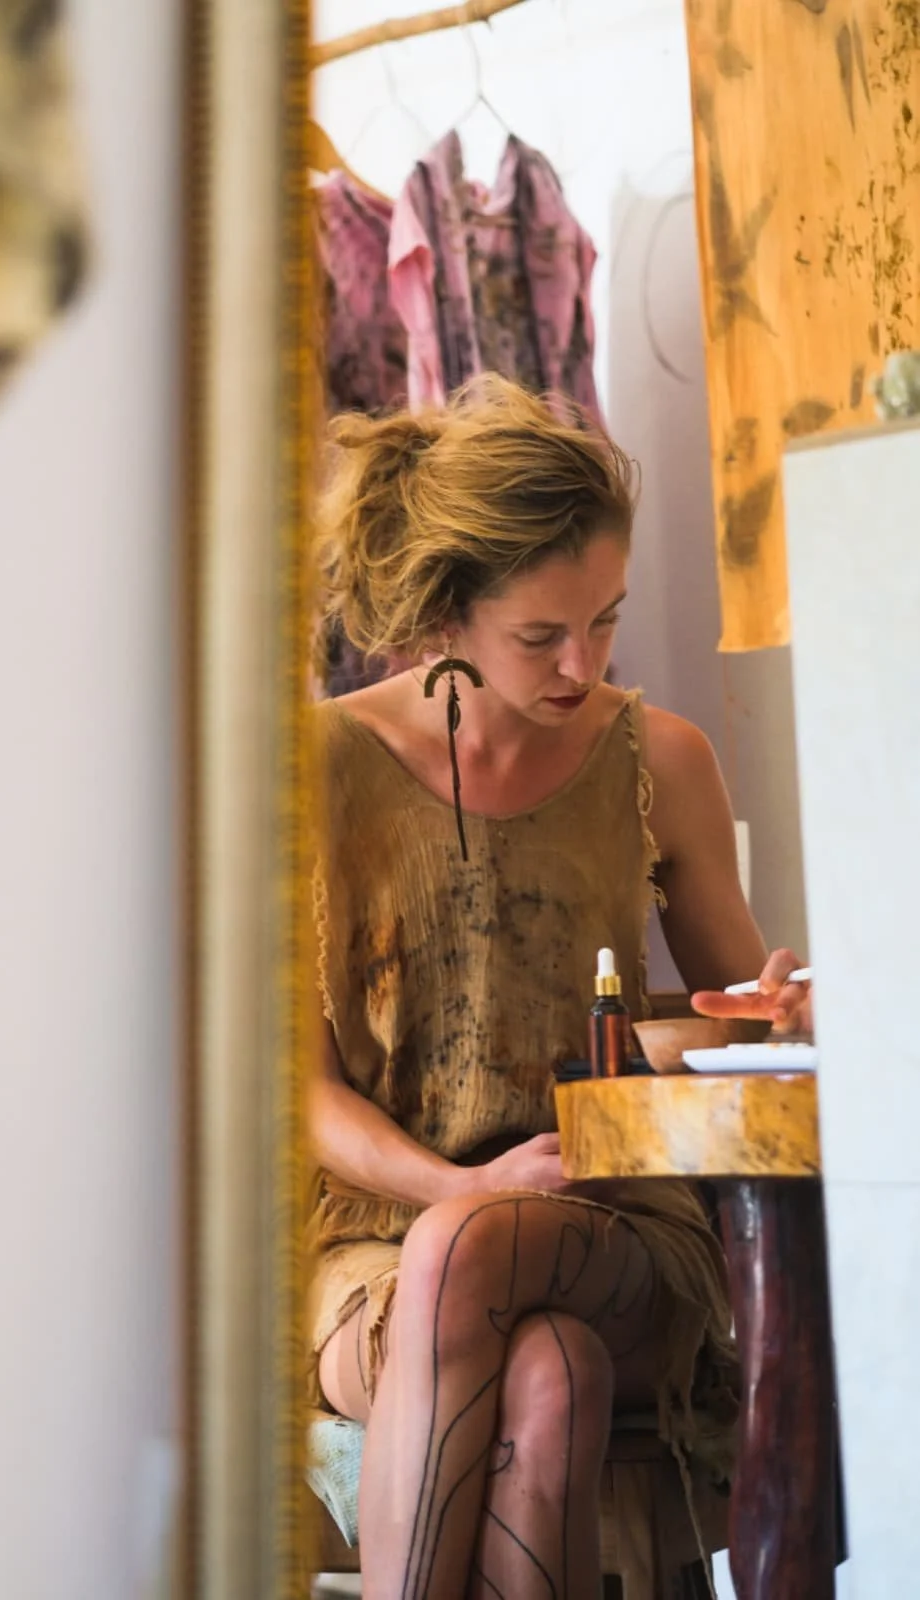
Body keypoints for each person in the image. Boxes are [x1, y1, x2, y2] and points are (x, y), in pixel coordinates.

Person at [307, 376, 809, 1600]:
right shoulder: (317, 768)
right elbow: (291, 1092)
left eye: (608, 620)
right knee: (541, 1366)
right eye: (542, 635)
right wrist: (458, 1186)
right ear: (448, 614)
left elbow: (722, 1007)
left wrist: (772, 1012)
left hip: (618, 1231)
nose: (584, 663)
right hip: (378, 1242)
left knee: (519, 1310)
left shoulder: (663, 759)